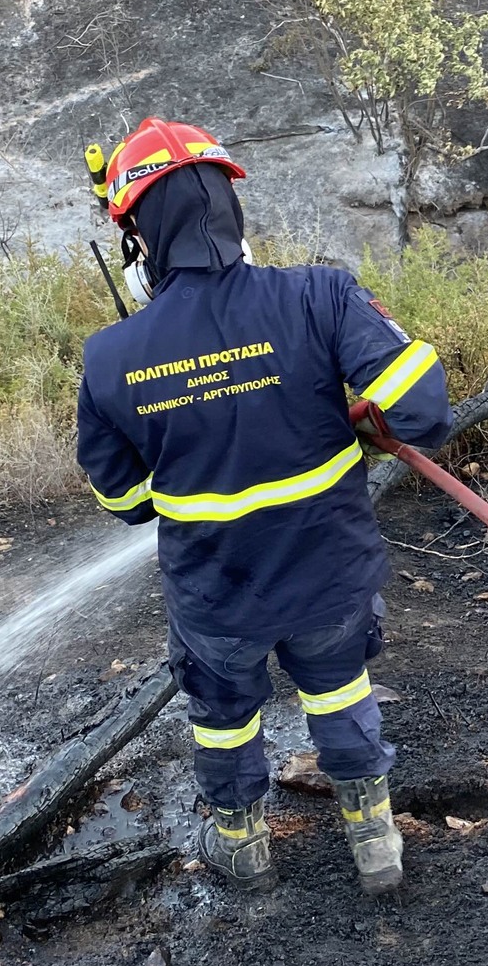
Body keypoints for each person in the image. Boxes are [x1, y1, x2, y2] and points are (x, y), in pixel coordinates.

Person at [74, 117, 454, 895]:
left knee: (222, 716)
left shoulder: (111, 357)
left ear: (139, 238)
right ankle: (375, 845)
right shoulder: (319, 295)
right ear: (230, 209)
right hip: (328, 573)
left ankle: (242, 849)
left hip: (217, 594)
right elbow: (422, 410)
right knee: (339, 691)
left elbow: (127, 501)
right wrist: (366, 427)